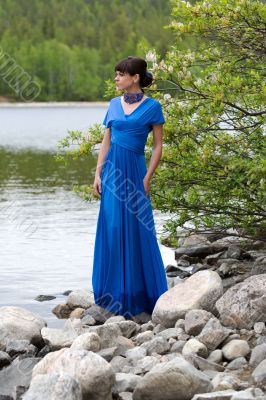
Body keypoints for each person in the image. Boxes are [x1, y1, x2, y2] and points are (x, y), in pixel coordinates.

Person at [92, 56, 168, 319]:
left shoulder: (153, 107)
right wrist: (98, 172)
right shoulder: (113, 105)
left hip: (135, 172)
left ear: (135, 78)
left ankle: (139, 295)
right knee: (113, 227)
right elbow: (107, 141)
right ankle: (113, 293)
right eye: (116, 74)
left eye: (121, 74)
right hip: (112, 172)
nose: (116, 78)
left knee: (137, 228)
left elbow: (158, 145)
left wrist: (148, 177)